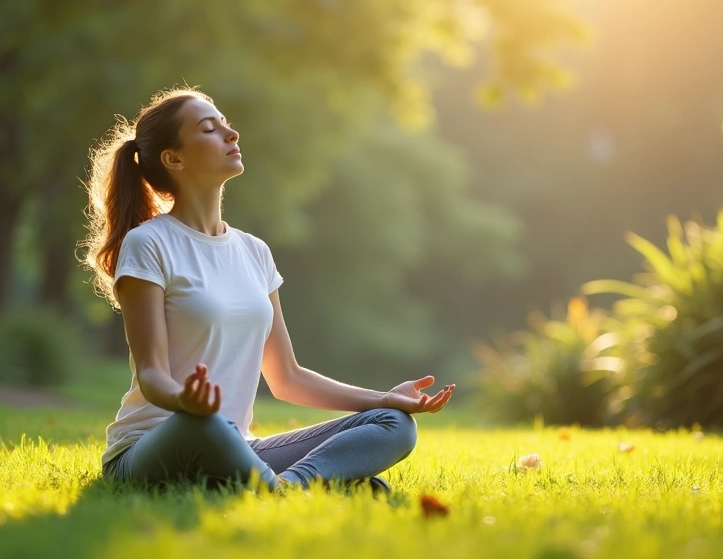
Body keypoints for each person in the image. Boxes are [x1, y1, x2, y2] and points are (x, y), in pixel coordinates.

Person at [81, 87, 455, 495]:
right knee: (207, 424)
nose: (231, 134)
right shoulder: (149, 244)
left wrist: (384, 398)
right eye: (210, 128)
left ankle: (287, 488)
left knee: (395, 426)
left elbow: (287, 377)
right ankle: (315, 485)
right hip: (156, 445)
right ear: (174, 158)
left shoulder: (254, 252)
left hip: (234, 444)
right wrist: (186, 403)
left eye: (227, 124)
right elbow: (153, 374)